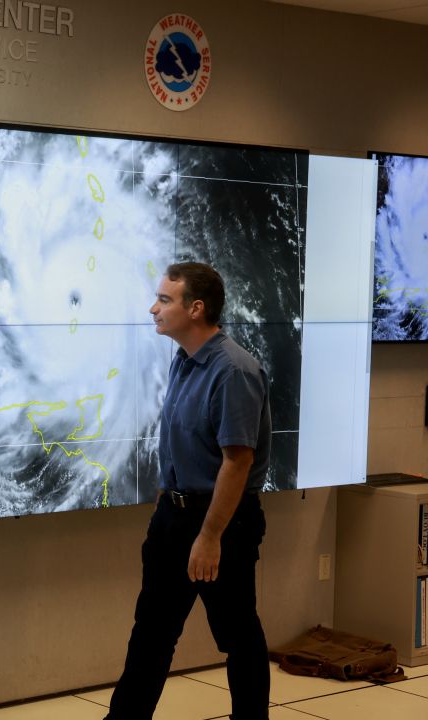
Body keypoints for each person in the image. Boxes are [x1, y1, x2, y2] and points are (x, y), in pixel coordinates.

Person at [106, 262, 272, 720]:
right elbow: (183, 442)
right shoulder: (183, 360)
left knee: (238, 638)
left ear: (195, 309)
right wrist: (167, 500)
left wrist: (209, 537)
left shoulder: (234, 370)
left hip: (222, 524)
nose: (153, 308)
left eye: (164, 299)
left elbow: (237, 463)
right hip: (175, 519)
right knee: (152, 634)